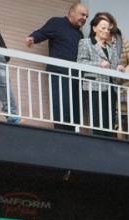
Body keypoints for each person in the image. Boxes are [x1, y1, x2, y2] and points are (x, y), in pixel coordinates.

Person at [25, 2, 84, 130]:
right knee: (61, 104)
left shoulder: (80, 34)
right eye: (82, 15)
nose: (84, 18)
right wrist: (33, 38)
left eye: (86, 16)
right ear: (72, 12)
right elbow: (42, 32)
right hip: (59, 72)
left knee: (74, 107)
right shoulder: (57, 23)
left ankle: (74, 134)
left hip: (75, 75)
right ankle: (61, 132)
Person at [76, 12, 129, 136]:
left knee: (109, 122)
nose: (106, 31)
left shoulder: (111, 47)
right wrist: (98, 64)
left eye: (108, 29)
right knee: (97, 121)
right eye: (103, 28)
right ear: (94, 28)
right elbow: (80, 62)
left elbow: (112, 66)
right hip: (94, 87)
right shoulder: (85, 42)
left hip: (110, 88)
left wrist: (119, 68)